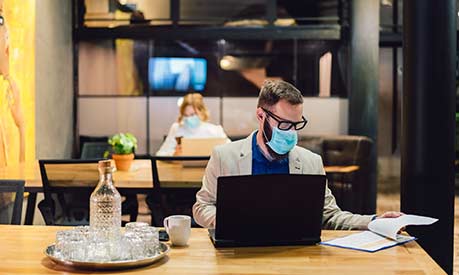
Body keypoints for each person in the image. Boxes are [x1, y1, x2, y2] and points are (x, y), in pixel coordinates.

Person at [193, 80, 402, 230]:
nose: (291, 133)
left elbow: (330, 216)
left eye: (296, 125)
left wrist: (375, 221)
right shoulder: (224, 156)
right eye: (284, 124)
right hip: (238, 252)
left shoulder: (311, 162)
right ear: (260, 115)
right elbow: (202, 206)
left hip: (297, 256)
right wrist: (228, 222)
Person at [156, 93, 229, 156]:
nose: (188, 118)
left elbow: (231, 151)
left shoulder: (215, 130)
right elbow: (160, 154)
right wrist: (174, 154)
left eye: (192, 114)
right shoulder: (177, 128)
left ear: (202, 111)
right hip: (181, 170)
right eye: (186, 115)